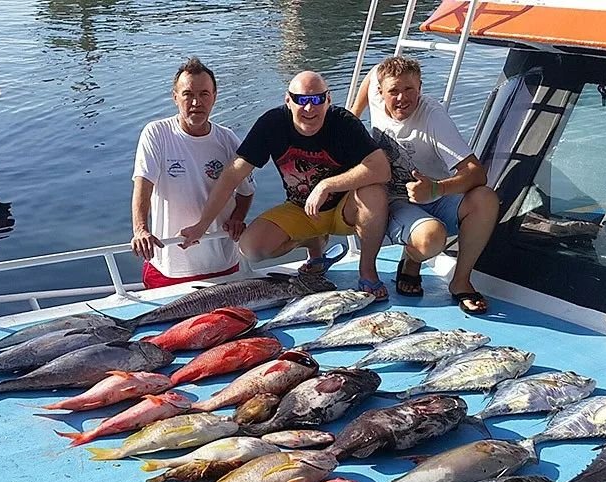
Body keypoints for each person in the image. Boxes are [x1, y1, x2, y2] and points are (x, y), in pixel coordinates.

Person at [179, 71, 391, 300]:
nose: (309, 108)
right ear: (288, 100)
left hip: (345, 211)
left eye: (317, 99)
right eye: (301, 100)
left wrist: (327, 185)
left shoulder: (343, 123)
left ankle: (367, 271)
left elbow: (381, 168)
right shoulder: (272, 124)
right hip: (301, 209)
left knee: (374, 193)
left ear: (328, 99)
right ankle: (314, 241)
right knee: (251, 248)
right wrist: (203, 224)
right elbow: (232, 175)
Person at [351, 56, 499, 314]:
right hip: (396, 200)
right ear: (381, 91)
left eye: (409, 89)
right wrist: (353, 116)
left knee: (485, 198)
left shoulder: (434, 117)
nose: (402, 98)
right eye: (393, 91)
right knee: (431, 238)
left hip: (435, 193)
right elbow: (373, 73)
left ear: (420, 87)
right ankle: (413, 258)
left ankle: (460, 280)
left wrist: (436, 189)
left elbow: (476, 174)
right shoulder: (376, 86)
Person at [130, 57, 255, 289]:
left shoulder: (228, 140)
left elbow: (246, 191)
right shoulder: (156, 134)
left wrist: (238, 217)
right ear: (175, 97)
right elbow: (143, 185)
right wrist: (141, 229)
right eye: (188, 94)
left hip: (222, 264)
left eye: (204, 94)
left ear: (215, 97)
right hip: (168, 266)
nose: (196, 102)